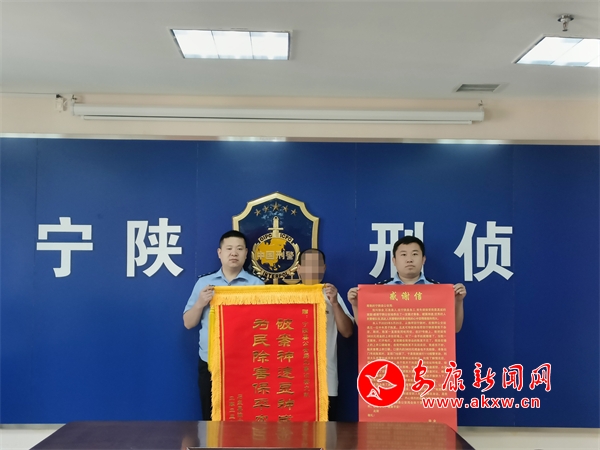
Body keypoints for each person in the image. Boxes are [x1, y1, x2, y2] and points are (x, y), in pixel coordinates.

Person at [183, 230, 264, 420]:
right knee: (210, 418)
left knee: (244, 418)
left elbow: (263, 325)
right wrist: (200, 303)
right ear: (219, 253)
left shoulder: (257, 285)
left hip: (246, 364)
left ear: (246, 253)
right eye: (229, 249)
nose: (234, 253)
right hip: (211, 363)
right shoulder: (204, 283)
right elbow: (188, 323)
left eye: (239, 249)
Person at [347, 236, 466, 332]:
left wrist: (458, 301)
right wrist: (356, 305)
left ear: (423, 259)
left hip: (428, 351)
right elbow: (367, 328)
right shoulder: (379, 290)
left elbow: (454, 328)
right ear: (394, 261)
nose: (409, 259)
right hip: (392, 352)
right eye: (403, 255)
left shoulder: (438, 290)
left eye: (415, 254)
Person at [295, 248, 354, 421]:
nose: (313, 269)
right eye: (308, 265)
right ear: (299, 269)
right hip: (292, 381)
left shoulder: (331, 294)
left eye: (317, 265)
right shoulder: (286, 296)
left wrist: (334, 303)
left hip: (326, 381)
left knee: (326, 434)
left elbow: (347, 332)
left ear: (324, 268)